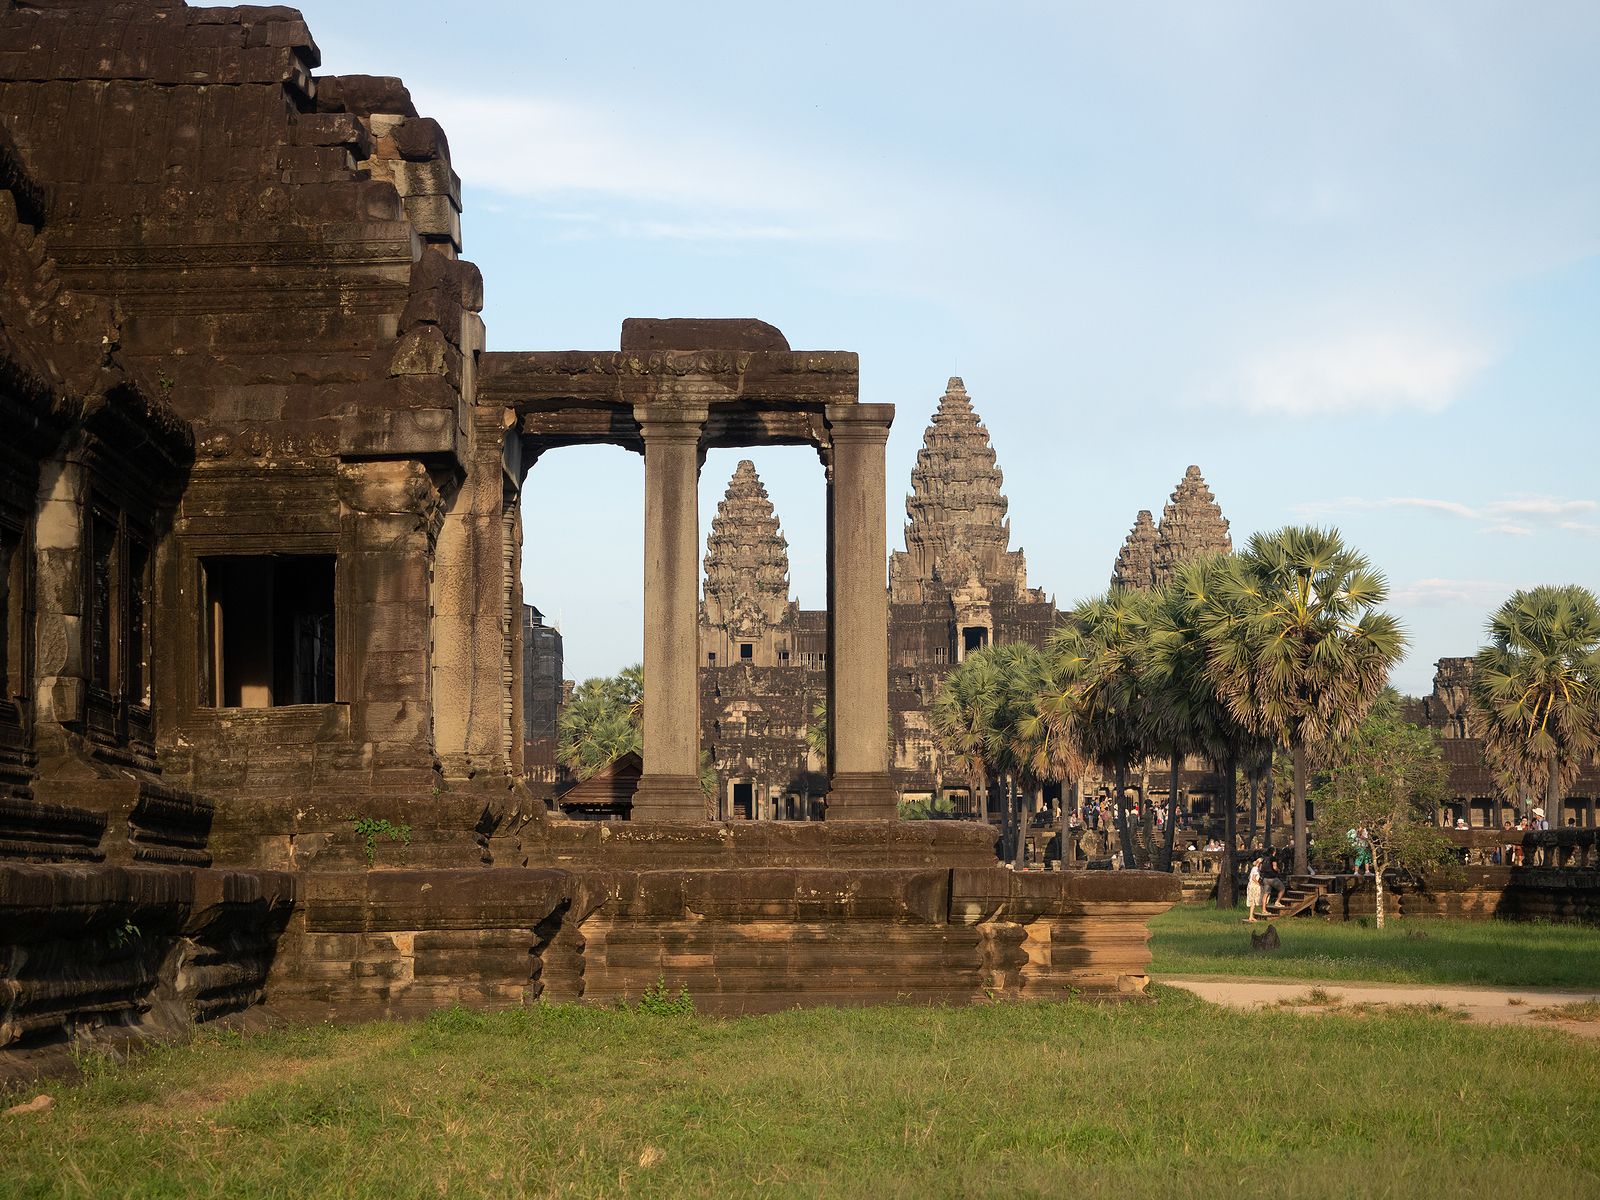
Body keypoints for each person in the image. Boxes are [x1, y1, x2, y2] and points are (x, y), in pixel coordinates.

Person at [1245, 857, 1266, 922]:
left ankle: (1251, 916)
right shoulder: (1256, 869)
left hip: (1252, 885)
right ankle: (1262, 910)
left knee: (1253, 901)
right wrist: (1259, 884)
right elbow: (1254, 878)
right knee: (1255, 900)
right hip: (1254, 886)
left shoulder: (1255, 869)